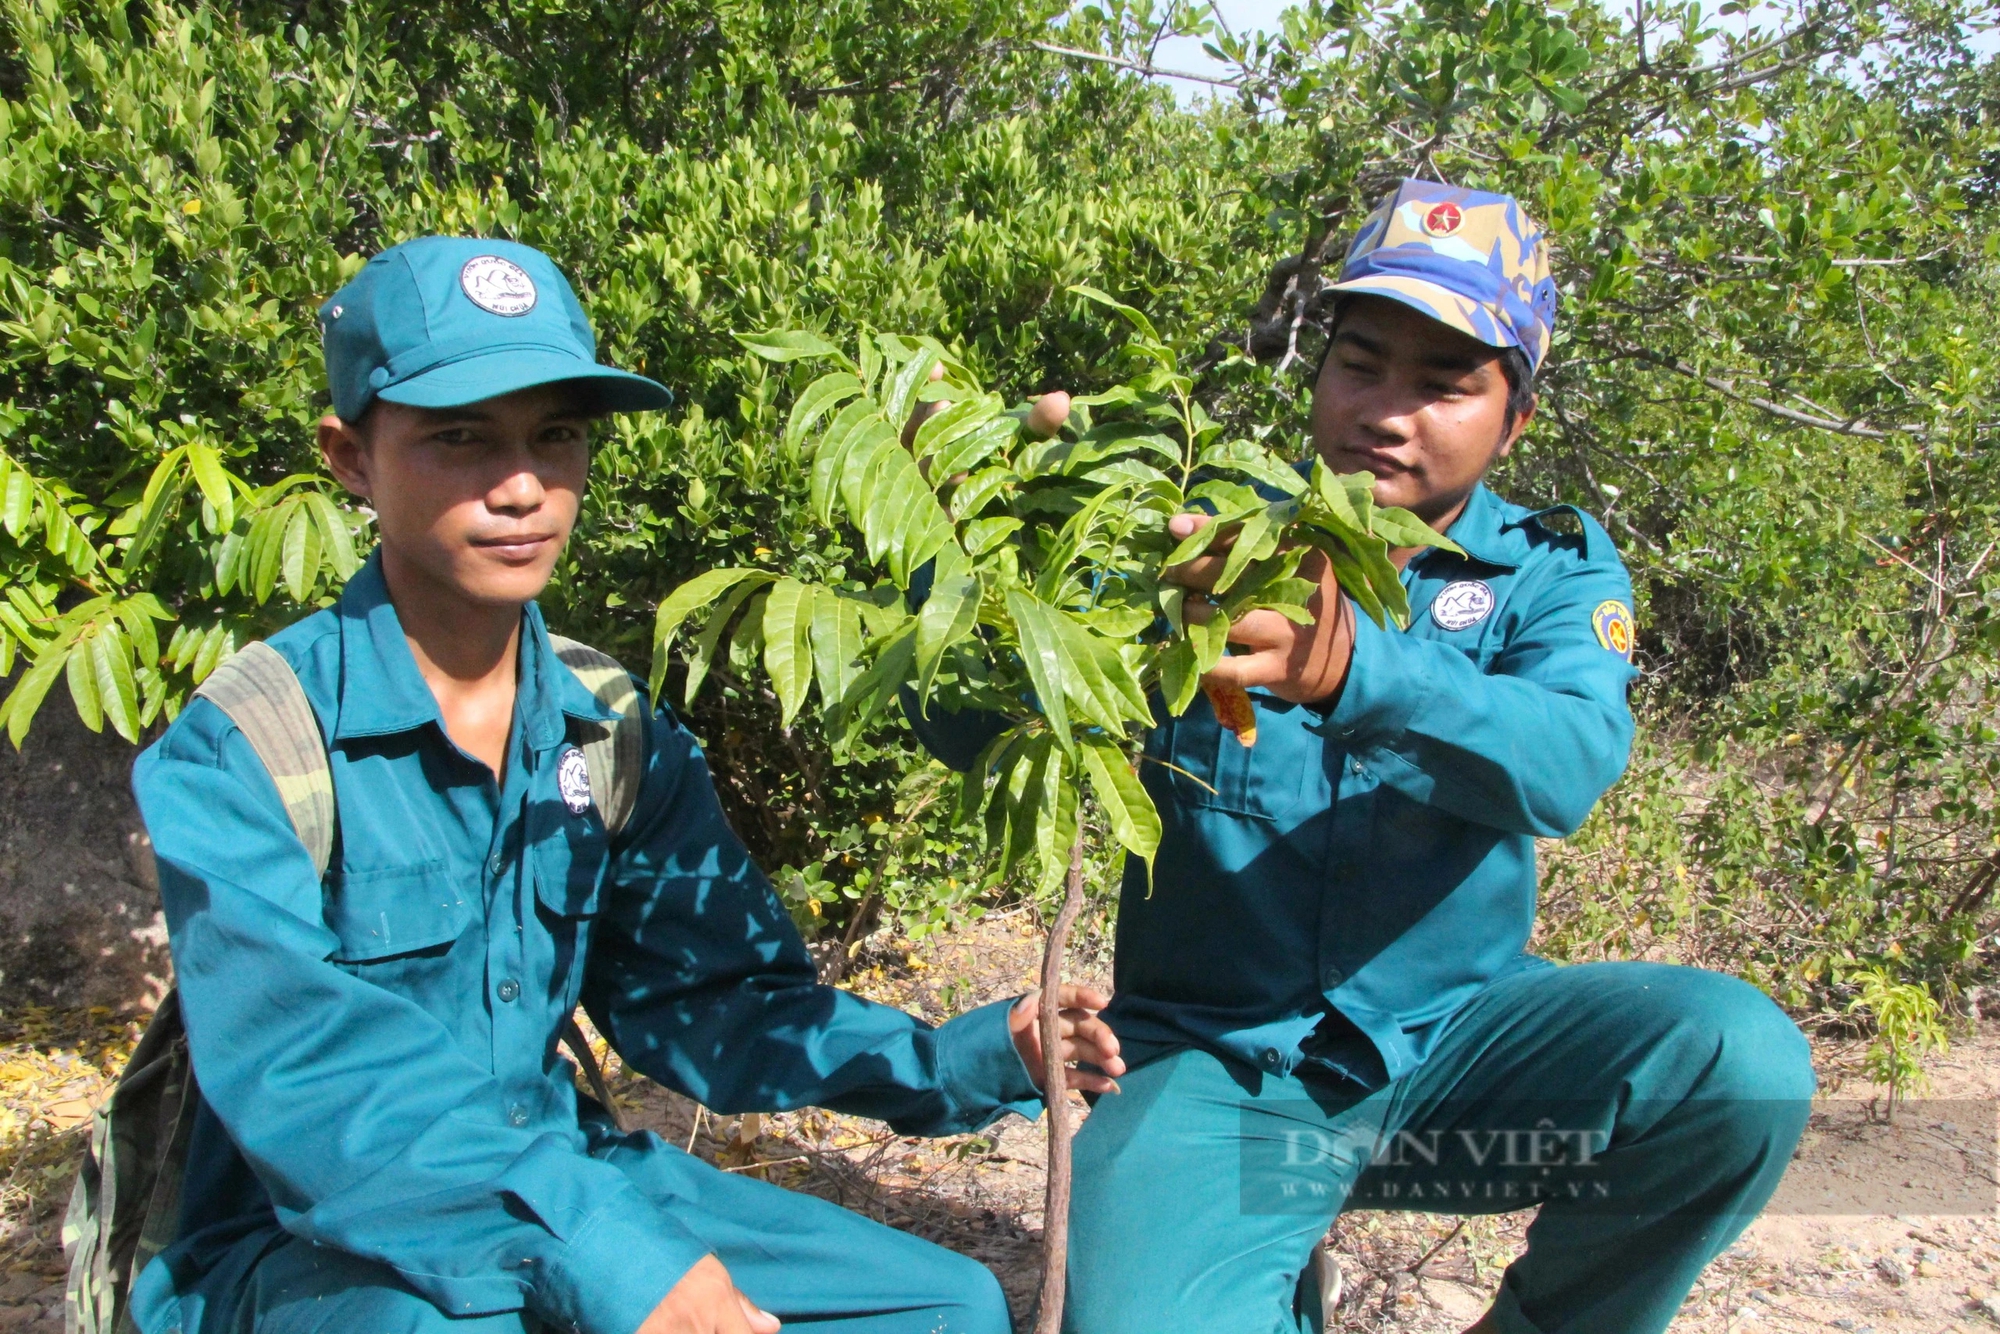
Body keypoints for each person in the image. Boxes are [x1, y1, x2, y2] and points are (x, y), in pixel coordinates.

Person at [130, 236, 1124, 1334]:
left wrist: (966, 1052)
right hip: (317, 1240)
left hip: (567, 1172)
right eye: (458, 439)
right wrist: (606, 1254)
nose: (519, 486)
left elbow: (719, 1004)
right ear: (350, 457)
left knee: (940, 1305)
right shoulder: (253, 740)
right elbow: (313, 1080)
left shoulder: (606, 728)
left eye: (554, 436)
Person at [908, 180, 1816, 1334]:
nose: (1386, 410)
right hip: (1224, 1075)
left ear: (1514, 417)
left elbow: (1567, 760)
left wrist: (1352, 673)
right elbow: (971, 722)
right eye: (1360, 362)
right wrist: (983, 536)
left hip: (1455, 1066)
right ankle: (1265, 1261)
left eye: (1444, 384)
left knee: (1735, 1063)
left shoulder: (1548, 569)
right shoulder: (1189, 533)